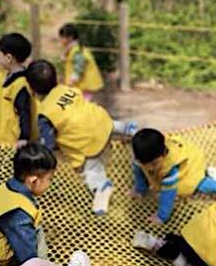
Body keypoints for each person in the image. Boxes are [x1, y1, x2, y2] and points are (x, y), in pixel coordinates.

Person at [26, 60, 137, 215]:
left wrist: (40, 159)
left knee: (90, 170)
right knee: (102, 121)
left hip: (87, 143)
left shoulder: (45, 114)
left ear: (31, 89)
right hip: (102, 121)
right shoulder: (67, 89)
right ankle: (127, 128)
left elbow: (48, 145)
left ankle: (101, 186)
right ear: (55, 79)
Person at [0, 143, 63, 266]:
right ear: (33, 180)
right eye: (50, 179)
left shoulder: (1, 191)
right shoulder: (17, 212)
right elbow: (28, 258)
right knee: (38, 234)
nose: (50, 183)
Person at [130, 128, 216, 224]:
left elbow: (168, 194)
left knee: (200, 185)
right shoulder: (142, 158)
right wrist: (140, 190)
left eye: (155, 163)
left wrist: (161, 216)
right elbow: (140, 171)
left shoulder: (170, 166)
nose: (150, 168)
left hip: (190, 166)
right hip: (176, 155)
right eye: (146, 164)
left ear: (164, 154)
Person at [0, 33, 36, 145]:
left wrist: (23, 138)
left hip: (11, 143)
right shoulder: (7, 76)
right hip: (0, 139)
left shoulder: (21, 85)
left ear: (8, 58)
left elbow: (24, 113)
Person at [58, 23, 103, 100]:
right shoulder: (73, 49)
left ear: (70, 38)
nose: (60, 40)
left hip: (83, 86)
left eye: (62, 38)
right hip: (79, 86)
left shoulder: (77, 52)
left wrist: (72, 81)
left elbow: (79, 67)